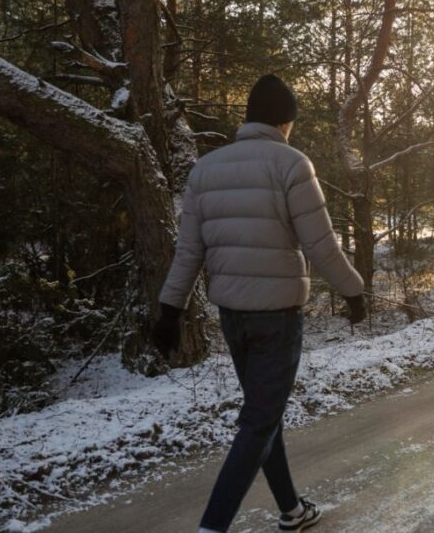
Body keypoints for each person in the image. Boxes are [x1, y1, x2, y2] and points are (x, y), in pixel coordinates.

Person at [152, 74, 366, 532]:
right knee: (258, 421)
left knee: (264, 414)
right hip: (278, 319)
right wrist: (353, 291)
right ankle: (212, 526)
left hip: (232, 316)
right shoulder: (291, 163)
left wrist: (169, 310)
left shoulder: (205, 170)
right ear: (285, 121)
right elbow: (321, 245)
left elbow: (189, 251)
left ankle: (291, 510)